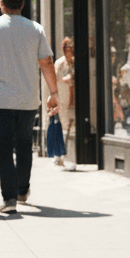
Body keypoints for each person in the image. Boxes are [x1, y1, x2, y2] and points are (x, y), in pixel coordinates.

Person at [0, 0, 59, 214]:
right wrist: (54, 92)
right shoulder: (36, 29)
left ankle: (9, 199)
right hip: (28, 101)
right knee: (24, 146)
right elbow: (47, 62)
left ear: (1, 5)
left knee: (3, 150)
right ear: (22, 4)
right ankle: (22, 190)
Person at [53, 37, 75, 169]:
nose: (69, 51)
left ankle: (70, 155)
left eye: (71, 49)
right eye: (67, 49)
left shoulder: (75, 63)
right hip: (63, 98)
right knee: (62, 126)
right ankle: (59, 156)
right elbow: (55, 79)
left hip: (74, 101)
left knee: (72, 127)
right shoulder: (60, 63)